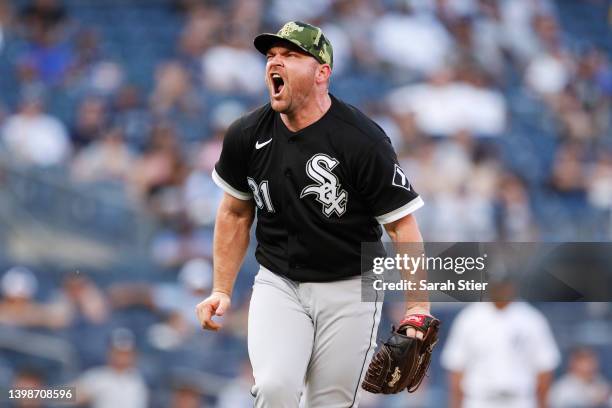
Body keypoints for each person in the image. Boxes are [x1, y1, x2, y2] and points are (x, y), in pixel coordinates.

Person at [196, 21, 431, 407]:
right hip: (280, 281)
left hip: (351, 285)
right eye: (271, 56)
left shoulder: (362, 139)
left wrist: (418, 306)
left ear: (322, 73)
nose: (276, 62)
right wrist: (221, 288)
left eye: (290, 55)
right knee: (274, 387)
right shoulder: (246, 134)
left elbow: (402, 226)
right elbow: (235, 213)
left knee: (329, 403)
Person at [441, 278, 561, 408]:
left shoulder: (531, 318)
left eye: (504, 284)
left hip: (520, 399)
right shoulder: (470, 318)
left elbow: (544, 368)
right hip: (480, 399)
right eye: (496, 285)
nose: (501, 289)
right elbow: (456, 368)